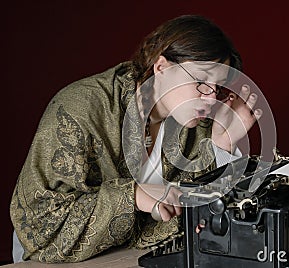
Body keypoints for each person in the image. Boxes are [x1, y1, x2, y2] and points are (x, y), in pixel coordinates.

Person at [10, 15, 262, 263]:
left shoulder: (199, 121)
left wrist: (223, 144)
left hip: (131, 255)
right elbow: (42, 219)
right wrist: (133, 196)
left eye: (217, 87)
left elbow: (202, 213)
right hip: (52, 256)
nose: (209, 98)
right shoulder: (80, 107)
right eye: (200, 81)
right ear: (162, 68)